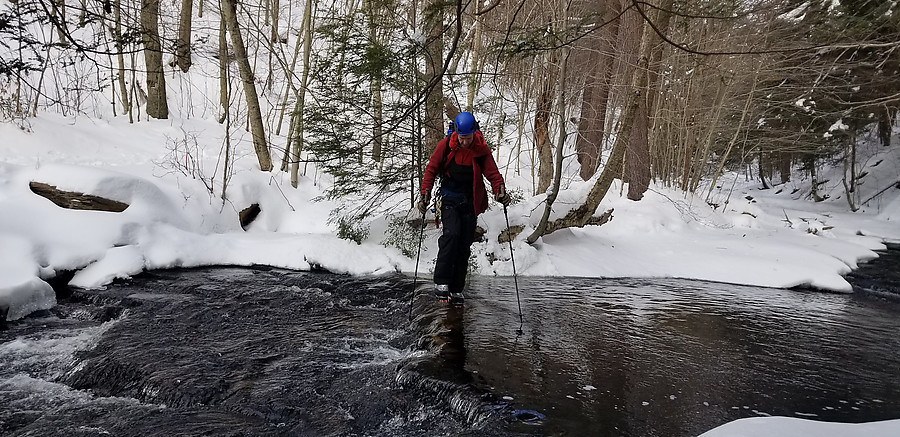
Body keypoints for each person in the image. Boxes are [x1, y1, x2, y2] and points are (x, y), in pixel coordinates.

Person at [417, 111, 511, 304]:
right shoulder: (446, 145)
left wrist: (499, 190)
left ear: (473, 133)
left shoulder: (480, 148)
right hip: (449, 199)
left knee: (464, 245)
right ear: (456, 134)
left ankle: (456, 288)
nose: (465, 142)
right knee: (451, 235)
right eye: (462, 138)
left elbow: (492, 173)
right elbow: (432, 168)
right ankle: (441, 282)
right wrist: (425, 192)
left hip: (470, 202)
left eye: (468, 138)